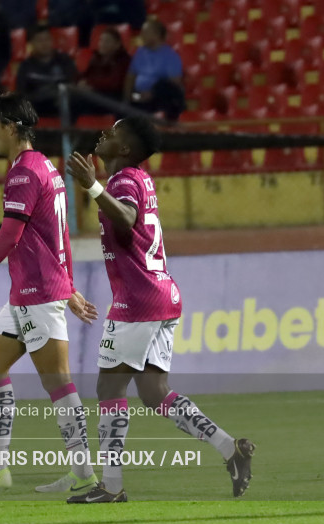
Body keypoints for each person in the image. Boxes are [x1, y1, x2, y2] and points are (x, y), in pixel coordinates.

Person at [64, 117, 254, 503]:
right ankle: (229, 449)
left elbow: (128, 218)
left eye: (113, 132)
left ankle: (111, 488)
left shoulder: (121, 182)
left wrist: (92, 185)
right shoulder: (140, 178)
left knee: (109, 386)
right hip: (163, 294)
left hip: (138, 300)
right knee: (154, 392)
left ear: (124, 150)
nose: (104, 134)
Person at [0, 93, 100, 494]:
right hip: (30, 293)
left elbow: (9, 237)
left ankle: (84, 474)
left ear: (12, 128)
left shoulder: (22, 174)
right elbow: (59, 235)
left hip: (36, 292)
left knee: (58, 383)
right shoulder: (45, 167)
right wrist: (67, 287)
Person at [123, 20, 185, 121]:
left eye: (145, 33)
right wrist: (127, 97)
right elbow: (131, 76)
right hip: (139, 96)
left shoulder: (171, 56)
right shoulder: (140, 52)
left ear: (157, 35)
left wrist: (152, 93)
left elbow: (174, 84)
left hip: (159, 99)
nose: (142, 36)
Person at [15, 25, 77, 117]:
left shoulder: (64, 61)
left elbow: (73, 84)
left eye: (47, 39)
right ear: (31, 44)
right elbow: (22, 93)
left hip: (61, 105)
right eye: (39, 40)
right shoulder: (26, 65)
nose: (44, 43)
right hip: (37, 108)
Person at [72, 26, 131, 116]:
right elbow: (86, 75)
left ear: (117, 44)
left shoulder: (123, 60)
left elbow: (113, 83)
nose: (102, 44)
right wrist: (80, 82)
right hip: (94, 95)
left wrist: (90, 84)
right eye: (101, 40)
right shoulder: (97, 58)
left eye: (107, 41)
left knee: (75, 102)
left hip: (111, 99)